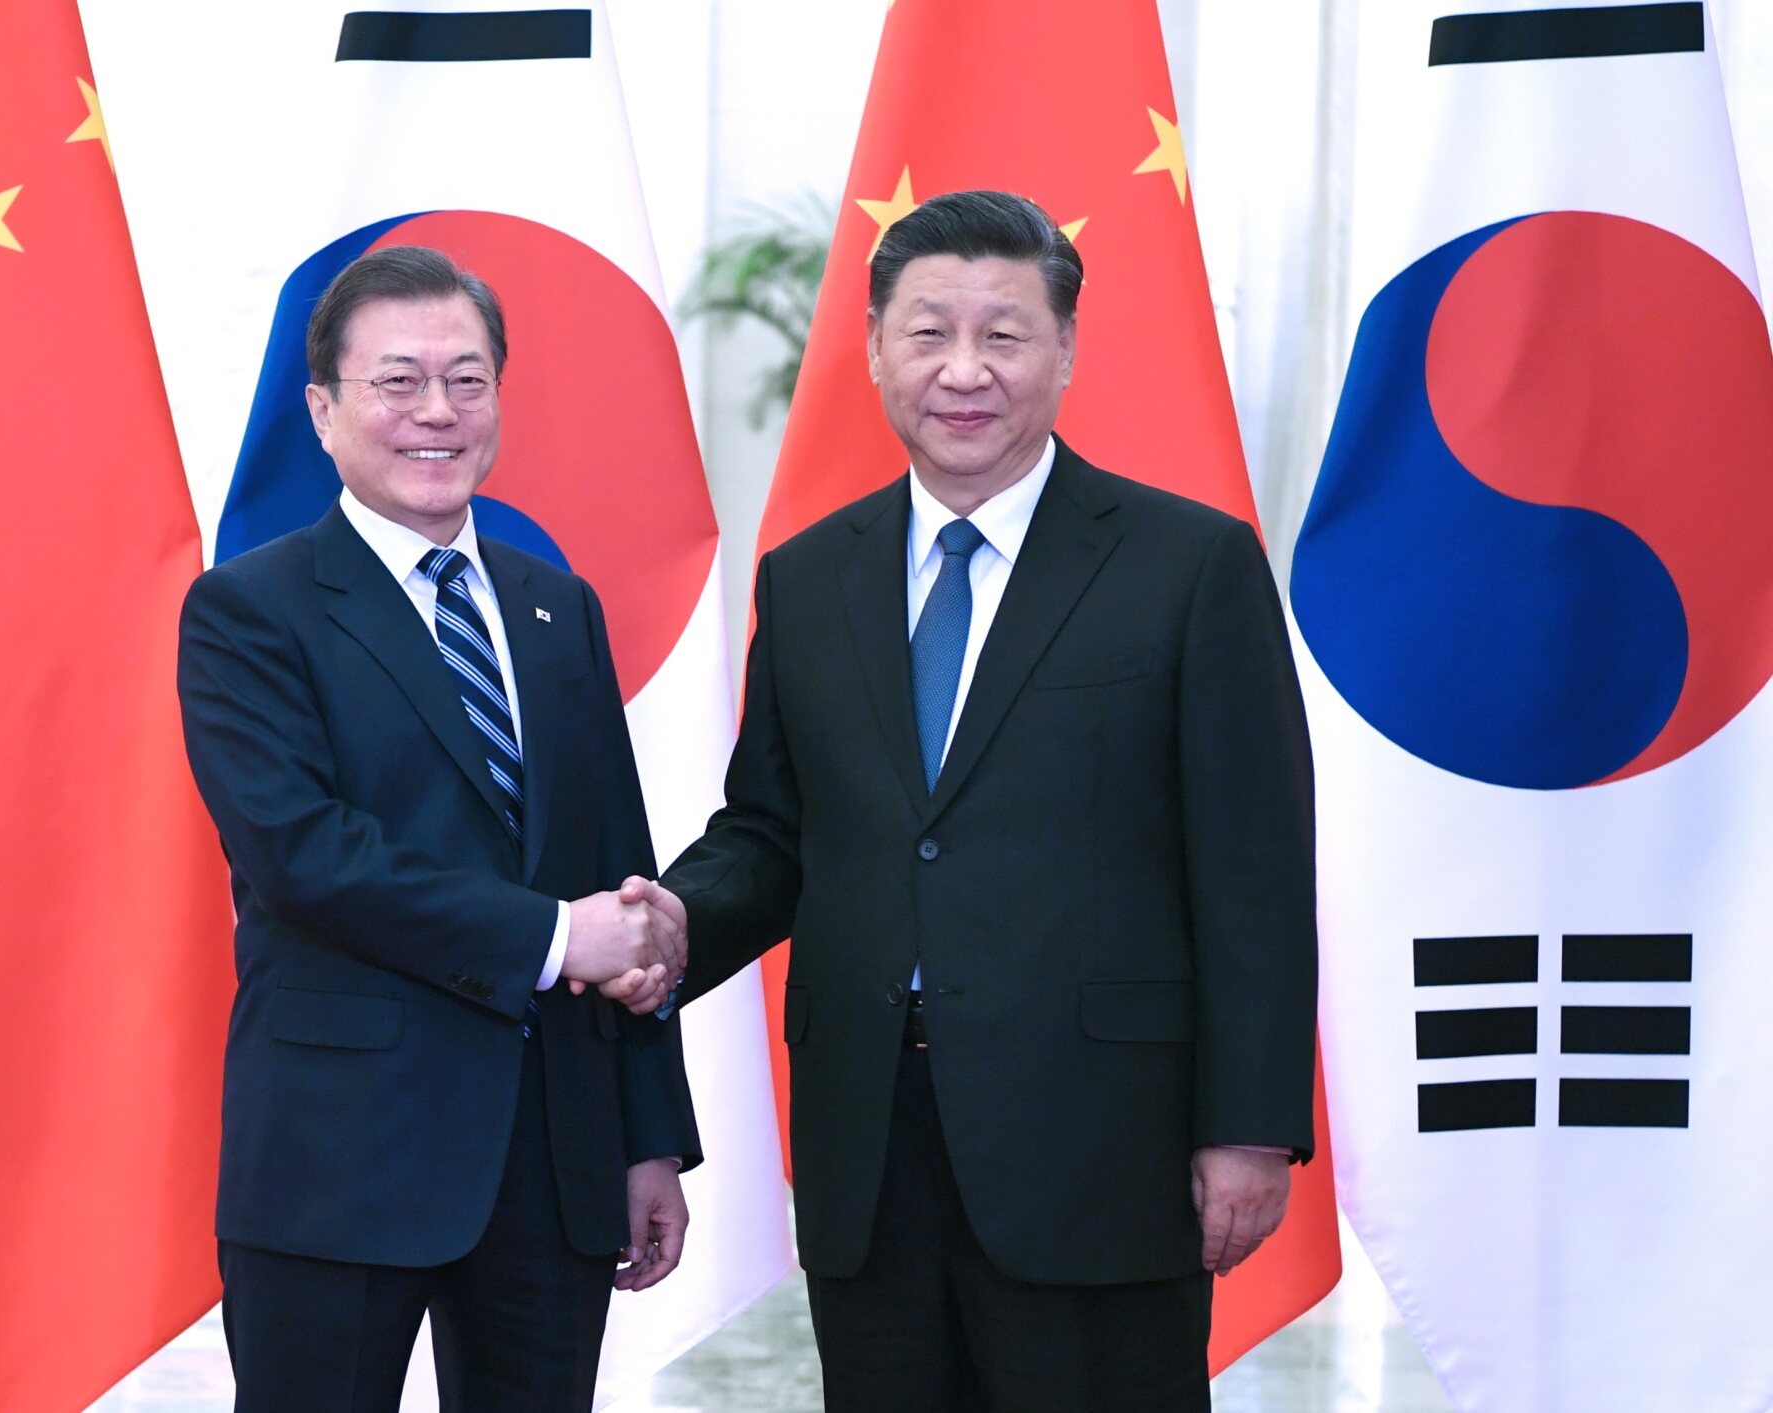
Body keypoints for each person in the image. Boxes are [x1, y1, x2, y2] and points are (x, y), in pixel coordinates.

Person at [655, 189, 1317, 1411]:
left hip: (1100, 1149)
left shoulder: (1188, 565)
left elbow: (1254, 871)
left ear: (1064, 350)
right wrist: (666, 928)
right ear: (872, 348)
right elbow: (774, 834)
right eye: (927, 333)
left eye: (1002, 335)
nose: (963, 371)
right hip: (869, 1148)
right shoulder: (809, 577)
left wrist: (1248, 1125)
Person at [177, 244, 699, 1413]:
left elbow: (618, 875)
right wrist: (552, 939)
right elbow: (303, 857)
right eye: (397, 381)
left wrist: (646, 1137)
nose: (437, 411)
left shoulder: (556, 606)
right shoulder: (247, 611)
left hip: (552, 1158)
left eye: (467, 380)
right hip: (337, 1158)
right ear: (323, 411)